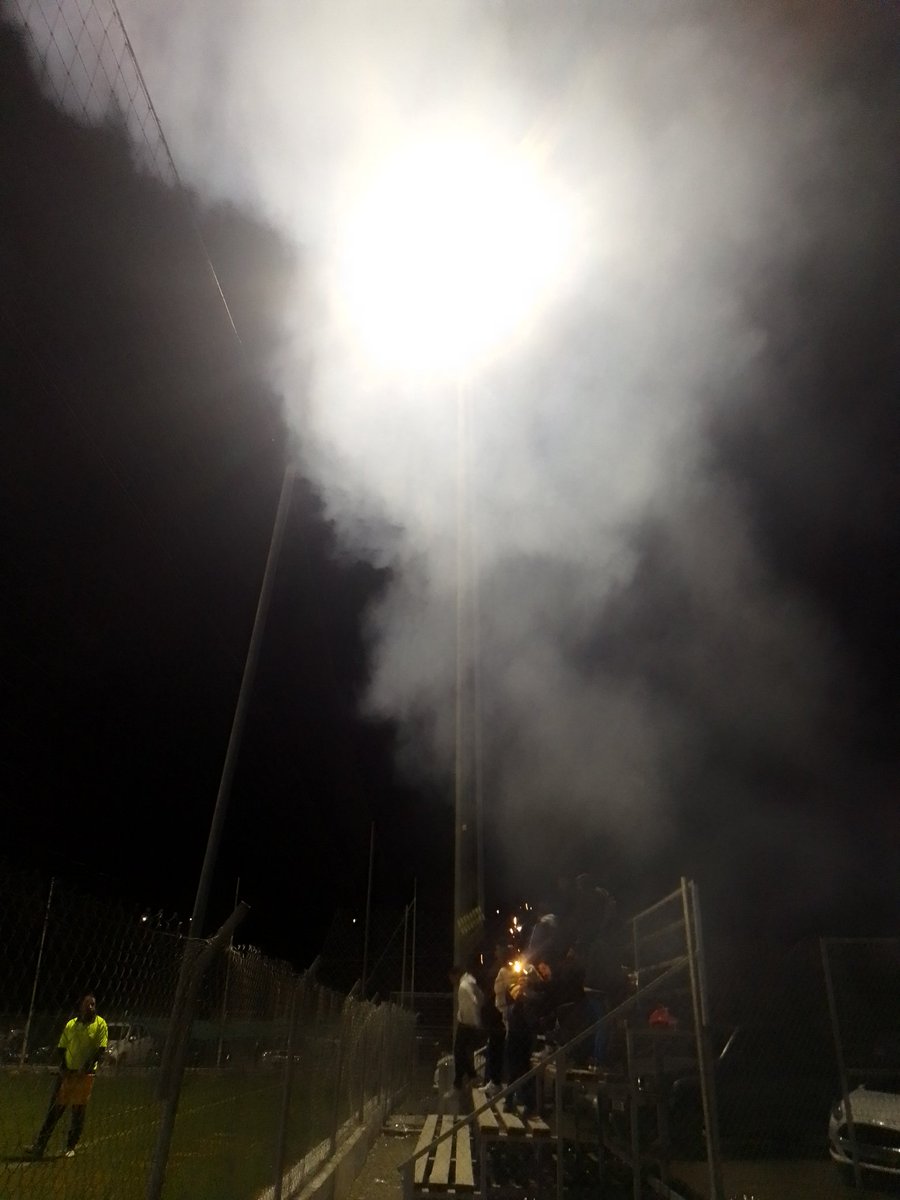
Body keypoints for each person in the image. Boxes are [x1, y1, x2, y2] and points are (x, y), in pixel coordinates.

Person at [26, 994, 108, 1158]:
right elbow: (62, 1047)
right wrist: (63, 1066)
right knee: (54, 1110)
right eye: (87, 1004)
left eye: (93, 1004)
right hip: (68, 1074)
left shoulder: (100, 1024)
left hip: (85, 1075)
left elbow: (101, 1049)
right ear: (81, 1006)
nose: (90, 1007)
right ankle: (40, 1145)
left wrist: (87, 1067)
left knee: (78, 1112)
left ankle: (71, 1146)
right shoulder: (71, 1024)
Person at [449, 962, 483, 1091]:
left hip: (467, 1023)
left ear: (456, 975)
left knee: (459, 1051)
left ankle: (461, 1080)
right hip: (469, 1022)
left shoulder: (463, 986)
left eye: (452, 978)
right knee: (463, 1051)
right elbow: (480, 998)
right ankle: (469, 1076)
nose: (452, 982)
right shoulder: (470, 982)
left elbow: (473, 1002)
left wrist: (474, 1020)